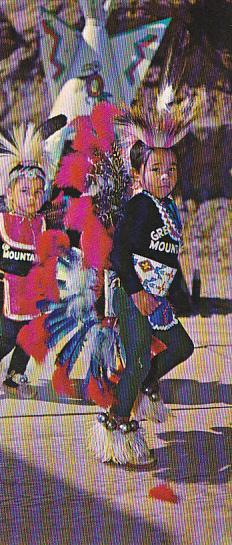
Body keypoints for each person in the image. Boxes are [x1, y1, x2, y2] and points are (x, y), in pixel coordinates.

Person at [87, 96, 197, 470]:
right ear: (139, 174)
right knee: (135, 358)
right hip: (129, 292)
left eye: (172, 168)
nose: (166, 176)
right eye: (157, 169)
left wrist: (170, 294)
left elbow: (165, 259)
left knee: (181, 346)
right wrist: (135, 293)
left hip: (153, 296)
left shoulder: (166, 206)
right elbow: (119, 253)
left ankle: (142, 384)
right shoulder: (141, 205)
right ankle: (116, 419)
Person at [0, 124, 49, 396]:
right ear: (10, 193)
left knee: (30, 337)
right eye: (25, 192)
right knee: (9, 336)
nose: (32, 198)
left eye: (38, 192)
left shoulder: (44, 224)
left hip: (35, 293)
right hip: (8, 291)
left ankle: (16, 376)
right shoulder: (1, 223)